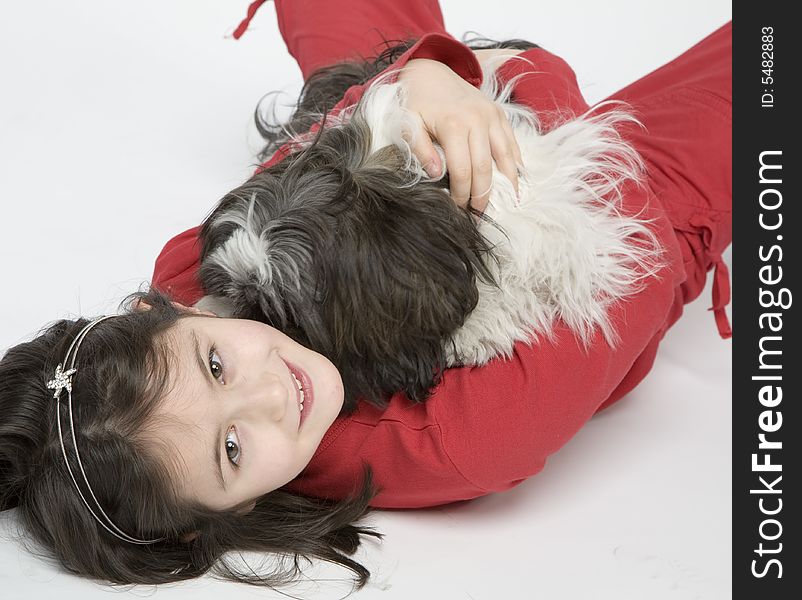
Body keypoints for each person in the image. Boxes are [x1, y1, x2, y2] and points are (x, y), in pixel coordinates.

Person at [0, 0, 732, 592]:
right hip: (630, 229)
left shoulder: (191, 275)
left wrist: (427, 81)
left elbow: (325, 149)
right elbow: (624, 241)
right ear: (221, 516)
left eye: (217, 365)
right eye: (232, 448)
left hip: (415, 221)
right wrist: (497, 79)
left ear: (163, 312)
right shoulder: (463, 444)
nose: (269, 396)